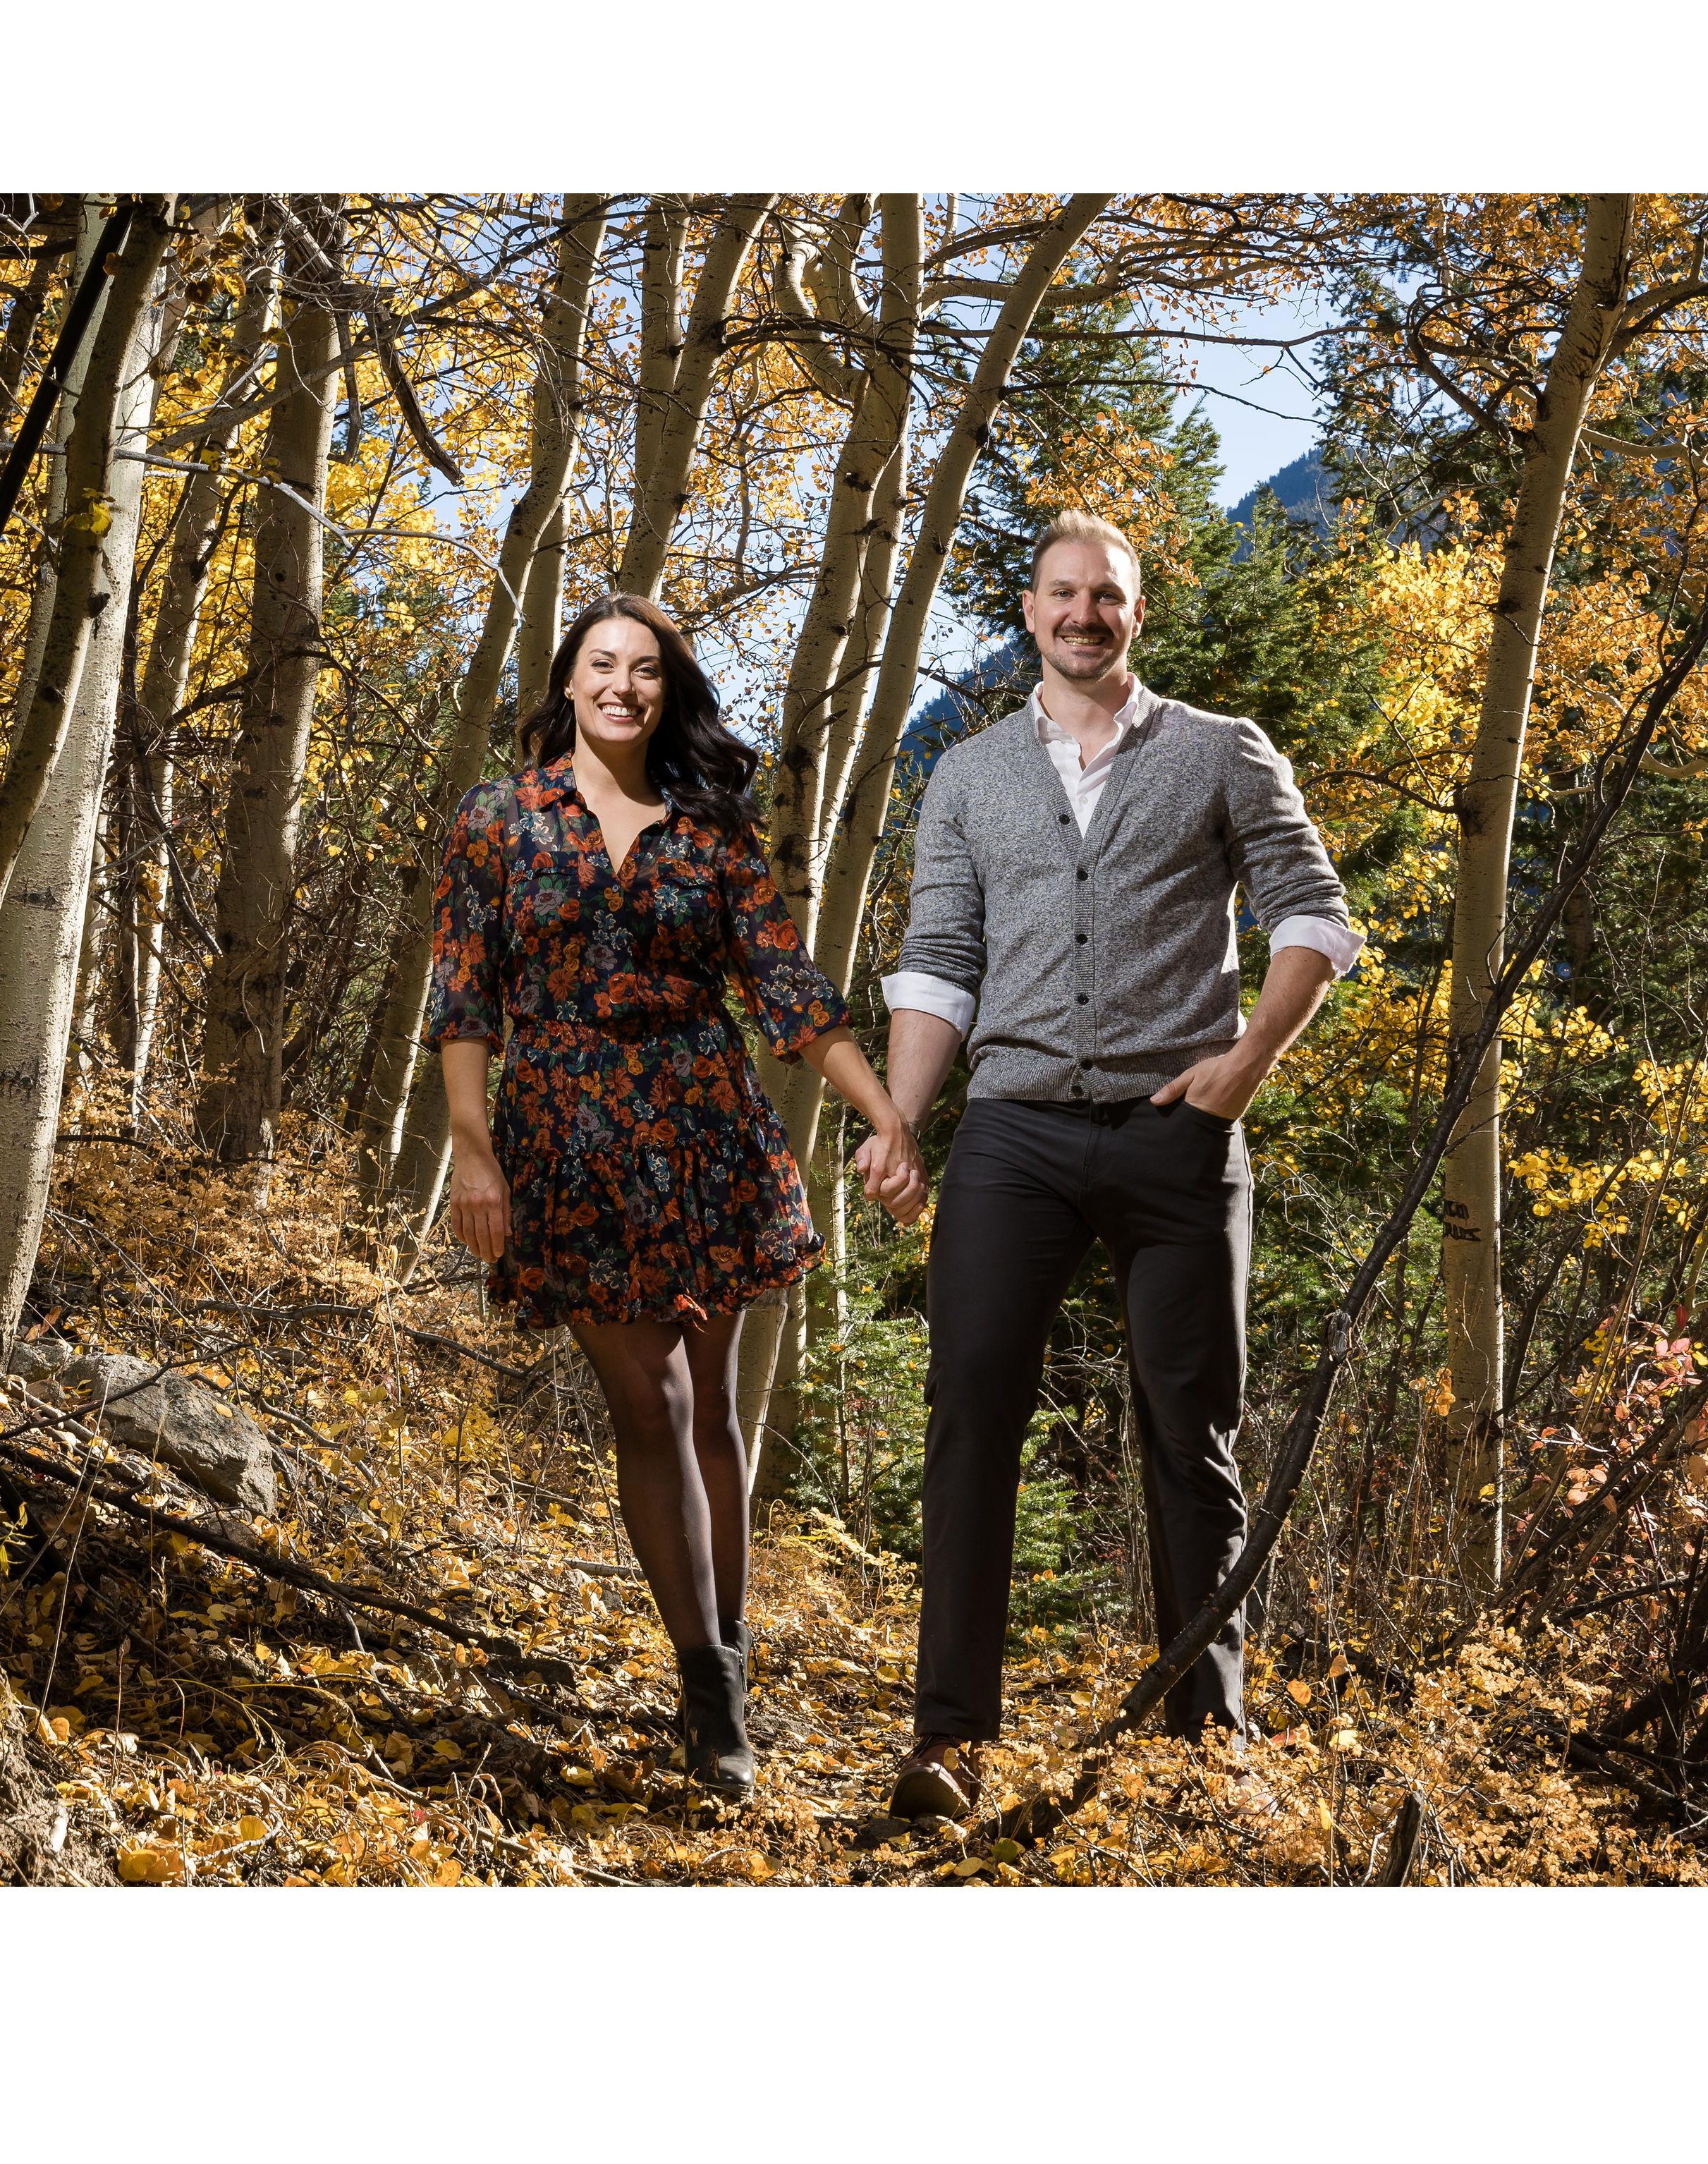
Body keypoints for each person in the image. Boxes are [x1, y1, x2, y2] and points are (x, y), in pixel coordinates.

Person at [853, 511, 1362, 1818]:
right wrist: (903, 1121)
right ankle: (947, 1743)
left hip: (1176, 1132)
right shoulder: (965, 779)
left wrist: (1243, 1071)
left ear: (1139, 611)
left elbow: (1314, 915)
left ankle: (1209, 1749)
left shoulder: (1221, 754)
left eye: (1110, 597)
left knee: (1190, 1433)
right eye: (1064, 594)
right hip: (1013, 1132)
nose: (1086, 615)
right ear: (1030, 611)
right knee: (971, 1419)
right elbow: (940, 968)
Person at [425, 592, 925, 1800]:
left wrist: (884, 1112)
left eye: (646, 671)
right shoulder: (499, 819)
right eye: (603, 664)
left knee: (712, 1410)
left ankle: (724, 1680)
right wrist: (471, 1145)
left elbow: (787, 989)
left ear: (668, 693)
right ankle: (709, 1697)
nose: (623, 687)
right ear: (570, 678)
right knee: (645, 1402)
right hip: (564, 1140)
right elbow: (463, 996)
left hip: (706, 1132)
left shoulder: (711, 830)